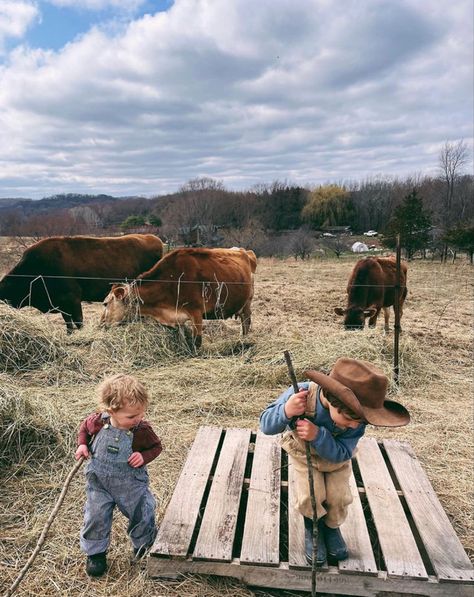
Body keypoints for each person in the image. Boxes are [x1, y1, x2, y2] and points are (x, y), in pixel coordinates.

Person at [259, 357, 410, 565]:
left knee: (338, 497)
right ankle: (312, 528)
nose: (353, 427)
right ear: (332, 401)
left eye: (359, 423)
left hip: (336, 460)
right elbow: (266, 426)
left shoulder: (357, 420)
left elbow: (342, 453)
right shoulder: (301, 394)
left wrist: (318, 436)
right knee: (311, 495)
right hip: (305, 457)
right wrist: (286, 411)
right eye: (349, 421)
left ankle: (331, 528)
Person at [75, 373, 162, 577]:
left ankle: (143, 544)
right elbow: (84, 430)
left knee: (141, 511)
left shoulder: (141, 430)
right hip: (100, 483)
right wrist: (81, 444)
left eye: (141, 413)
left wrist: (143, 456)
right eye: (131, 416)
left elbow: (156, 447)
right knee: (95, 516)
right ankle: (95, 554)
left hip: (130, 484)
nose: (138, 419)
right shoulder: (97, 421)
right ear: (110, 411)